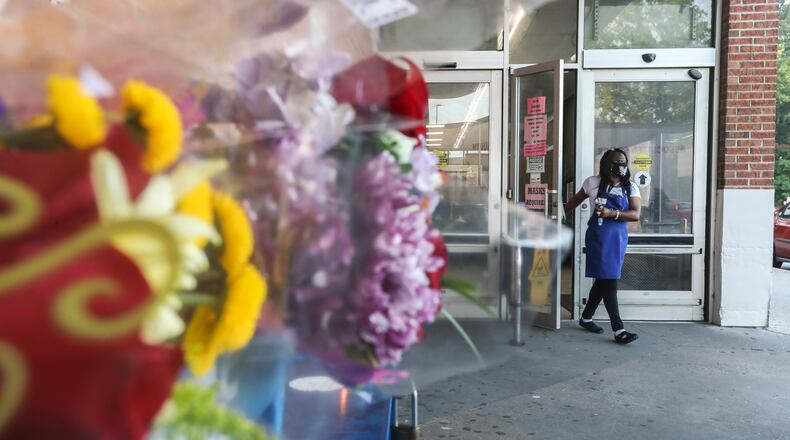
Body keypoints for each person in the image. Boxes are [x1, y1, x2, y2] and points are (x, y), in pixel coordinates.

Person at [564, 148, 641, 344]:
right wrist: (555, 216)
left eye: (624, 162)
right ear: (607, 164)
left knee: (604, 279)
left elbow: (635, 214)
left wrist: (611, 213)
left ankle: (586, 317)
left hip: (617, 240)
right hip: (597, 238)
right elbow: (570, 204)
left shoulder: (630, 187)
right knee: (609, 280)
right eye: (617, 162)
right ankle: (619, 329)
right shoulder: (592, 182)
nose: (621, 166)